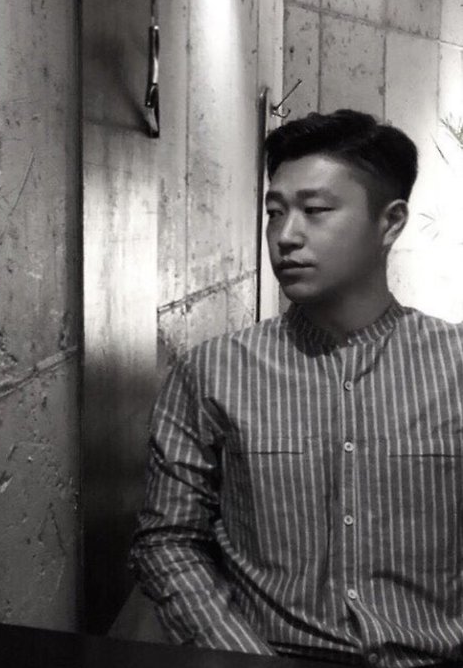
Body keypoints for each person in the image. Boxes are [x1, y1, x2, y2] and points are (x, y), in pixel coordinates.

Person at [129, 110, 463, 668]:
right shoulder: (215, 370)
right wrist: (246, 658)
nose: (285, 236)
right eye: (275, 212)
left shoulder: (453, 366)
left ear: (390, 223)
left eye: (316, 211)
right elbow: (168, 540)